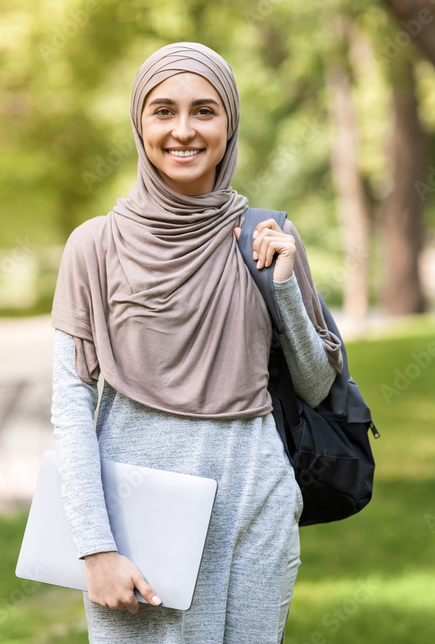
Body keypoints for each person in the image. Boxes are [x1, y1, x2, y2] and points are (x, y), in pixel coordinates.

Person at [50, 41, 343, 643]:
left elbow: (316, 386)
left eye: (204, 111)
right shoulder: (95, 246)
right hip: (137, 514)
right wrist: (95, 548)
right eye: (163, 111)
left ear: (229, 124)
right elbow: (70, 406)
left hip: (253, 503)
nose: (183, 130)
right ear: (140, 123)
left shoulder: (267, 236)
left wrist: (283, 287)